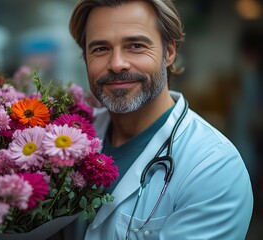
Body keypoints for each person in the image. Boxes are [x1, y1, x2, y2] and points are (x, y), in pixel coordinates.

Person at [63, 0, 254, 239]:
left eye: (135, 45)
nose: (116, 64)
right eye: (100, 49)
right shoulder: (65, 138)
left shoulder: (214, 167)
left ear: (169, 52)